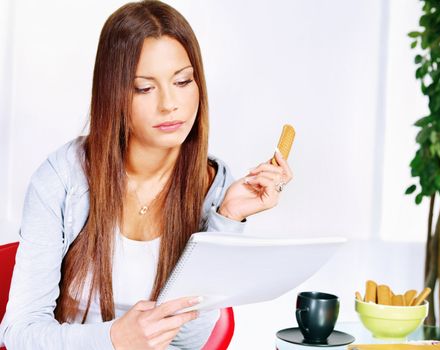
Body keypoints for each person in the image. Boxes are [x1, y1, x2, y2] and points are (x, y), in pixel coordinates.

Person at [0, 1, 293, 349]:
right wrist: (113, 339)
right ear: (115, 93)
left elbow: (189, 342)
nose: (170, 103)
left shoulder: (211, 184)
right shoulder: (62, 179)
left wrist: (228, 218)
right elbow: (20, 333)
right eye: (144, 88)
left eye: (183, 81)